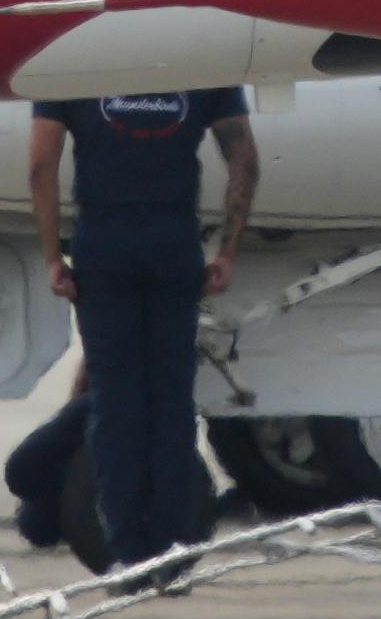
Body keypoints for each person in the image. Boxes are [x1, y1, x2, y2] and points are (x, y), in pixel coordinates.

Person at [33, 79, 259, 573]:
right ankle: (173, 552)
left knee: (116, 406)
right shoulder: (202, 57)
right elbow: (243, 157)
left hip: (103, 247)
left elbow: (41, 162)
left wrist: (53, 255)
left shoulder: (75, 58)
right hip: (173, 244)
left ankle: (129, 554)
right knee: (171, 406)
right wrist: (227, 249)